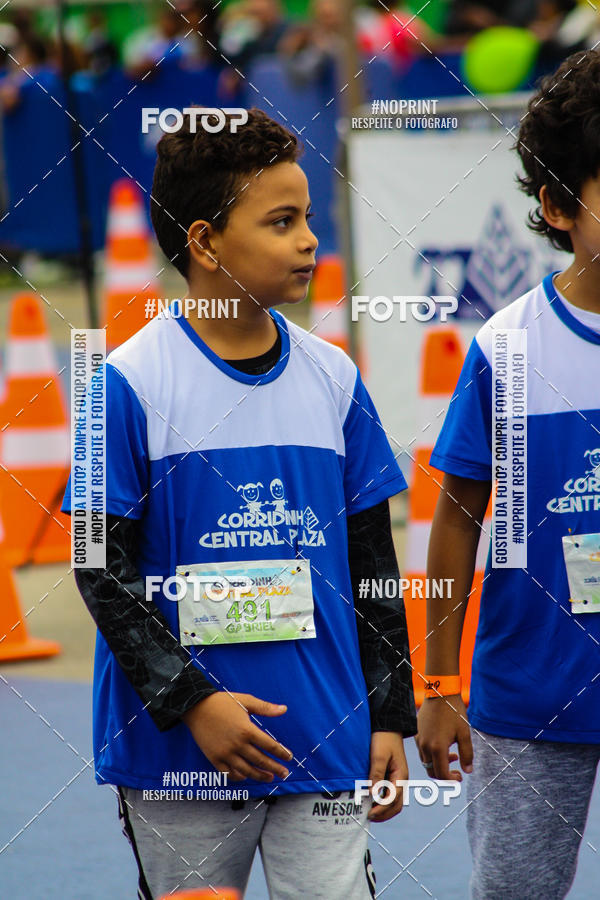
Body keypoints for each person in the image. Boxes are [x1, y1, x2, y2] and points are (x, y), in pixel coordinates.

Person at [62, 106, 417, 899]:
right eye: (281, 221)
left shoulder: (334, 378)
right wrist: (194, 702)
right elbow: (97, 565)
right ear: (205, 242)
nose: (309, 241)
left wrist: (389, 711)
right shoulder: (125, 384)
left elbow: (374, 565)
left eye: (309, 219)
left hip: (323, 739)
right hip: (180, 757)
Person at [416, 50, 600, 900]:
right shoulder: (510, 347)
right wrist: (439, 683)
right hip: (529, 703)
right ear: (559, 208)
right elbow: (456, 518)